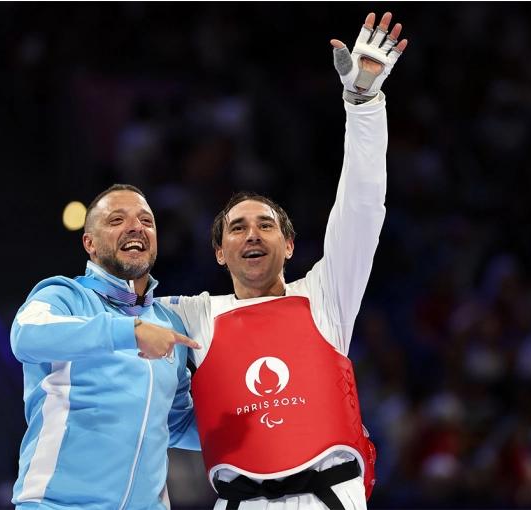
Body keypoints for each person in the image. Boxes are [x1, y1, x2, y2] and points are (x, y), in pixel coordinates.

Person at [159, 11, 408, 510]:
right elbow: (117, 311)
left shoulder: (324, 296)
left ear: (290, 246)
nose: (252, 234)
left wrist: (362, 105)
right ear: (218, 251)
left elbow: (362, 204)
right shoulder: (192, 317)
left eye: (266, 225)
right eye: (237, 227)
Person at [10, 184, 202, 510]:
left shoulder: (169, 324)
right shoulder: (63, 296)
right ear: (90, 243)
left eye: (146, 220)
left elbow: (175, 423)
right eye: (116, 220)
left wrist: (255, 423)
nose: (135, 226)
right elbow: (25, 335)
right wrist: (130, 330)